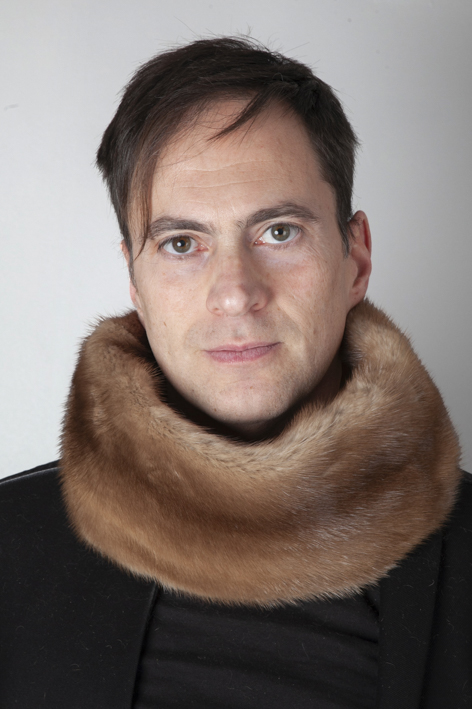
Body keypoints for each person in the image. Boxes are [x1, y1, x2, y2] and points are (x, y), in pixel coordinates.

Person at [0, 37, 470, 709]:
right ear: (135, 280)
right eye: (182, 243)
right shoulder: (10, 549)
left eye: (278, 231)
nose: (235, 293)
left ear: (356, 260)